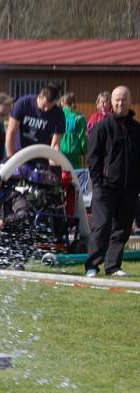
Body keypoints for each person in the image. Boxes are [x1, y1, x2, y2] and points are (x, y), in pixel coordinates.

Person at [84, 86, 140, 278]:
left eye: (123, 99)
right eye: (116, 99)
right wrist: (98, 182)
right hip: (105, 187)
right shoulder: (102, 127)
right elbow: (93, 158)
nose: (120, 103)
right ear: (111, 102)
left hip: (129, 189)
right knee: (102, 226)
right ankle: (92, 266)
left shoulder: (136, 129)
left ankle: (113, 266)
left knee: (122, 229)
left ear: (129, 101)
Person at [6, 84, 65, 157]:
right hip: (19, 154)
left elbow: (56, 145)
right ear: (40, 96)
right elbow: (11, 133)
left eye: (50, 107)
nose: (46, 109)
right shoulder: (23, 103)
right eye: (44, 106)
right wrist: (11, 158)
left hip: (40, 155)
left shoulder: (58, 114)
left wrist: (54, 164)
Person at [59, 93, 88, 168]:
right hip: (76, 151)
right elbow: (83, 136)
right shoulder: (79, 117)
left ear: (63, 103)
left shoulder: (59, 115)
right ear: (73, 103)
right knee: (78, 175)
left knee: (64, 173)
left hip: (61, 150)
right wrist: (85, 150)